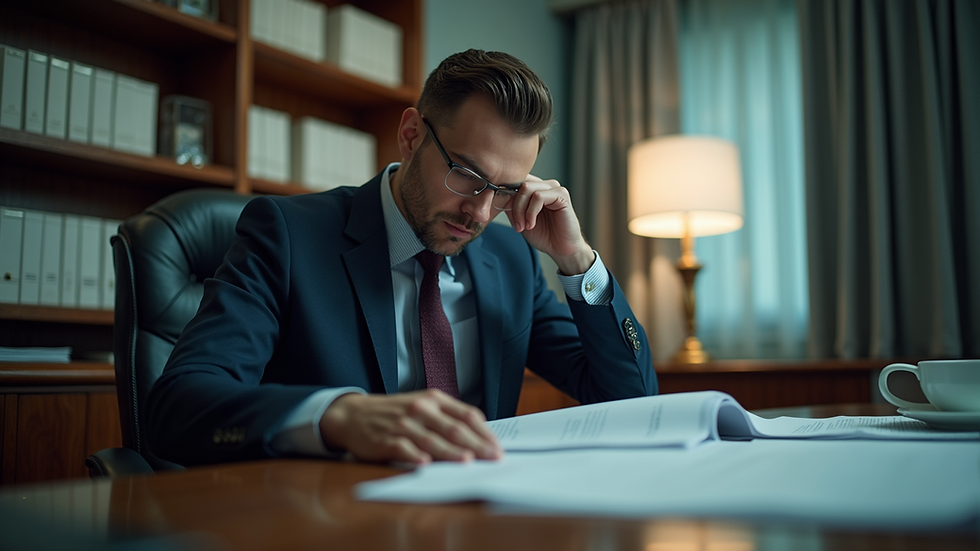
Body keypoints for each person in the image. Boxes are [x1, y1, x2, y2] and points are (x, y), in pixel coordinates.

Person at [146, 49, 657, 467]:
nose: (479, 212)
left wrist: (577, 260)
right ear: (411, 135)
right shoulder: (289, 236)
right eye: (465, 174)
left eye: (502, 190)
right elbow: (177, 407)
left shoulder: (510, 260)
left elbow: (633, 400)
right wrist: (336, 417)